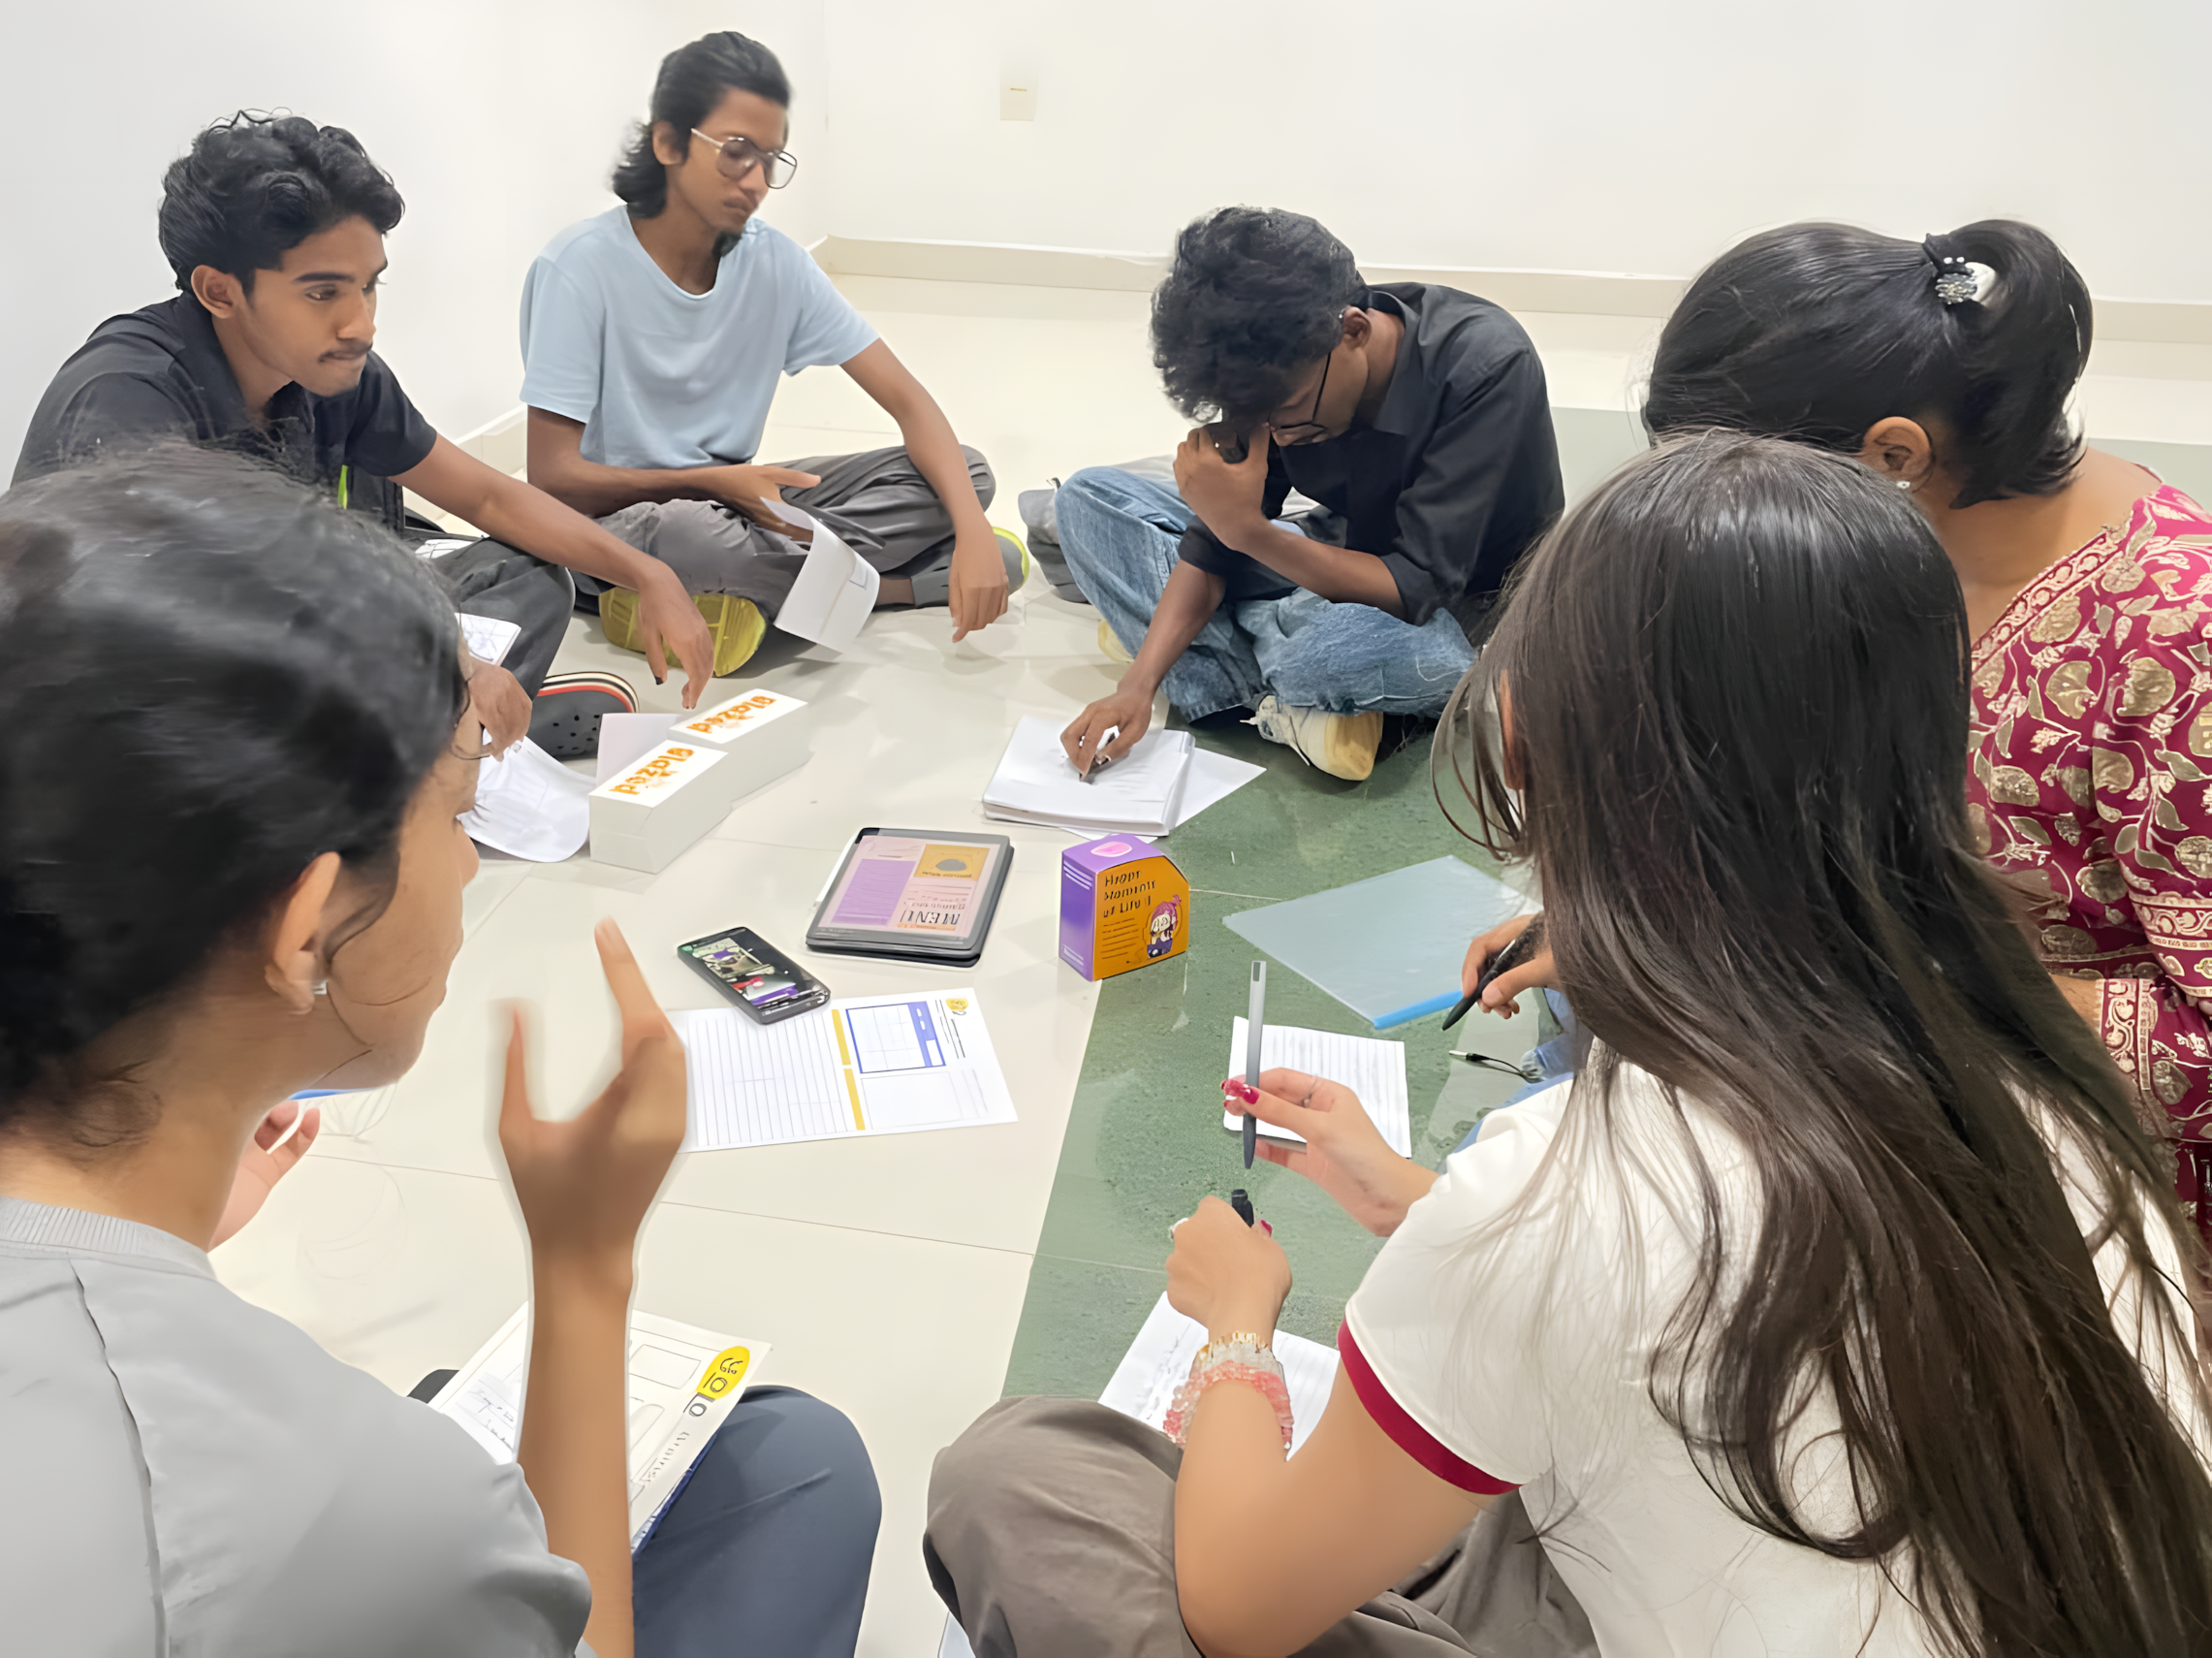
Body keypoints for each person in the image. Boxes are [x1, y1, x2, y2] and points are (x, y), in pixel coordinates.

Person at [927, 435, 2212, 1658]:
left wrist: (1239, 1332)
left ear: (1536, 747)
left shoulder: (1562, 1189)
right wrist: (1419, 1202)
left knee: (1024, 1476)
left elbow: (1235, 1606)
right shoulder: (2047, 1083)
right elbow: (1731, 1286)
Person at [0, 453, 877, 1657]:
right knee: (802, 1472)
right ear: (307, 922)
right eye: (456, 806)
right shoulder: (347, 1504)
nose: (473, 861)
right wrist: (584, 1265)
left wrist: (147, 1236)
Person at [1632, 218, 2212, 1254]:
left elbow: (2200, 1050)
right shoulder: (1883, 561)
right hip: (1905, 1060)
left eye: (1744, 497)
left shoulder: (2174, 633)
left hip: (2101, 1195)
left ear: (1893, 454)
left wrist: (1875, 981)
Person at [15, 112, 717, 756]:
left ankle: (449, 737)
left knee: (528, 577)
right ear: (220, 292)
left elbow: (489, 498)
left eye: (369, 285)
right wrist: (453, 662)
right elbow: (181, 626)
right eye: (323, 293)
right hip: (152, 670)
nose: (360, 323)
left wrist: (644, 572)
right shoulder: (128, 400)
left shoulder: (338, 372)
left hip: (303, 613)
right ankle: (446, 740)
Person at [519, 31, 1022, 677]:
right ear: (668, 143)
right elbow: (554, 479)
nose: (755, 181)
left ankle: (751, 593)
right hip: (619, 525)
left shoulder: (776, 263)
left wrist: (974, 535)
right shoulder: (579, 269)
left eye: (771, 160)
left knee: (967, 474)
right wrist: (708, 482)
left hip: (737, 503)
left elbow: (908, 401)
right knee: (691, 536)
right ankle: (892, 588)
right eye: (735, 153)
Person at [1058, 208, 1562, 784]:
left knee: (1346, 652)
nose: (1269, 431)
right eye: (1252, 414)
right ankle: (1281, 677)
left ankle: (1235, 653)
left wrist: (1247, 533)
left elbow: (1413, 585)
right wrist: (1137, 686)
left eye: (1286, 409)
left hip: (1464, 599)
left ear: (1352, 331)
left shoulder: (1486, 366)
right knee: (1086, 501)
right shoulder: (1263, 374)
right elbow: (1213, 545)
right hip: (1333, 548)